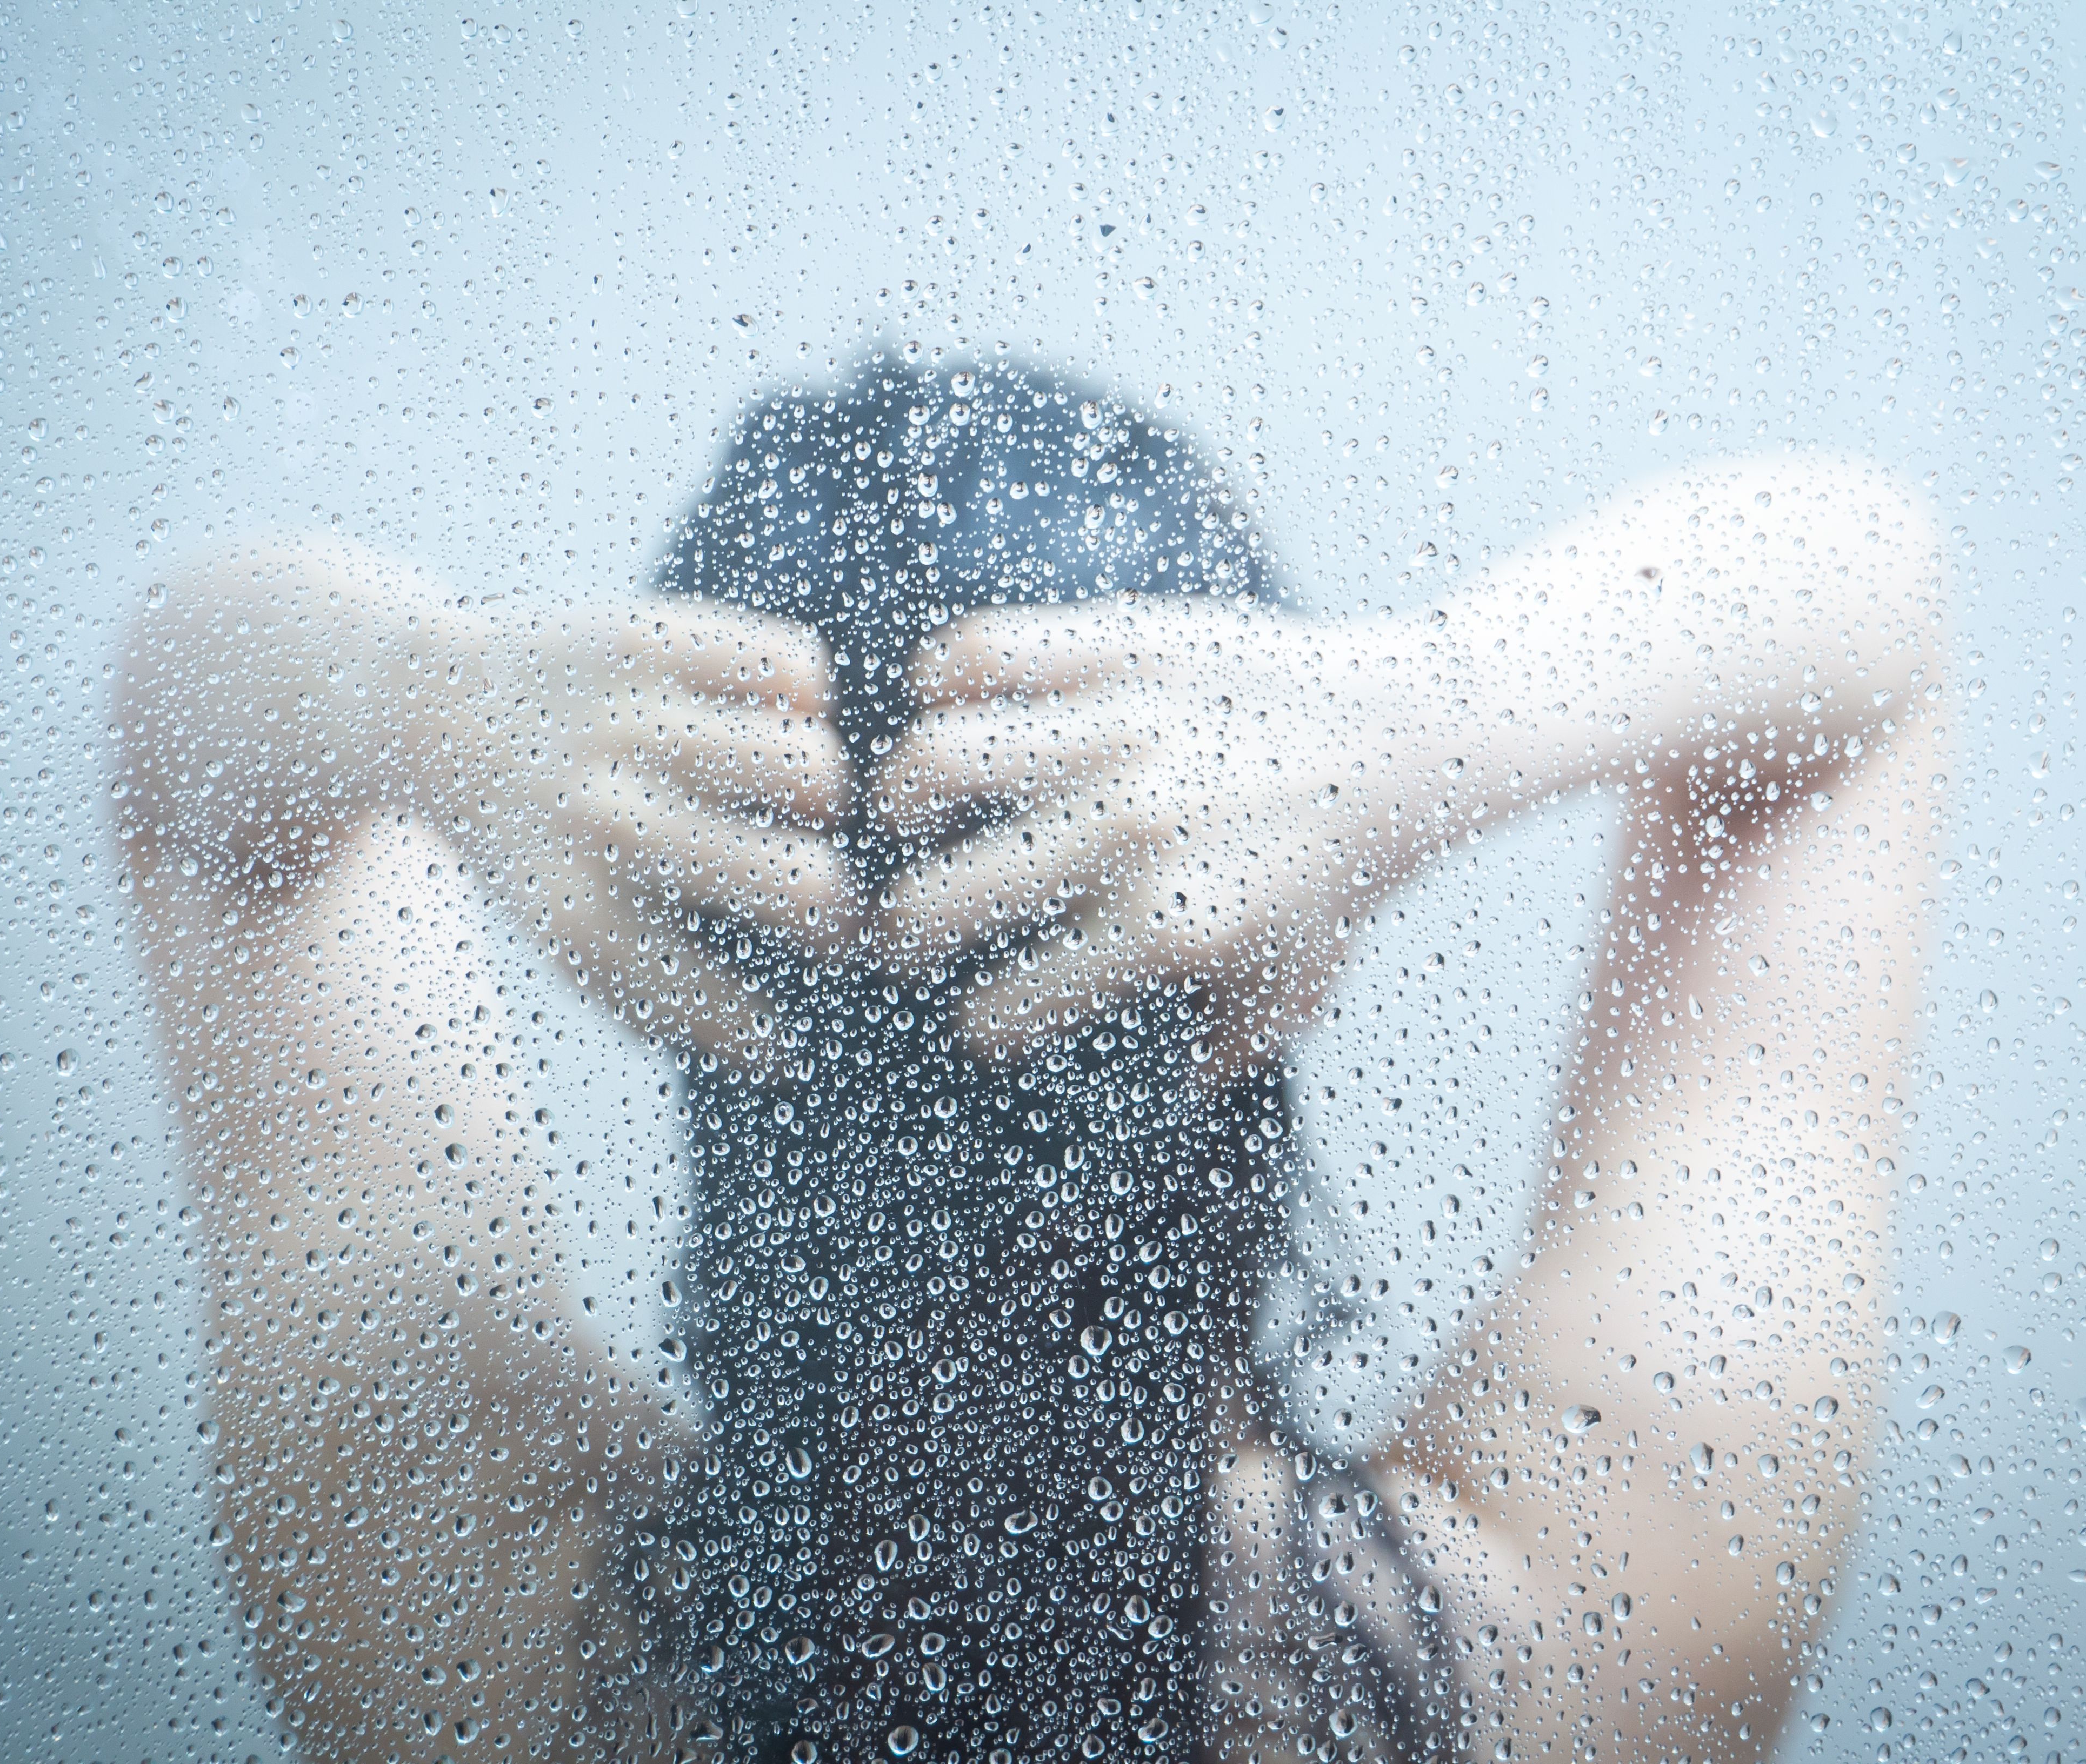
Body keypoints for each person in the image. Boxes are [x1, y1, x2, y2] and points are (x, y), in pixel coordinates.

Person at [113, 357, 1946, 1764]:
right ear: (1256, 964)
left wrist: (424, 707)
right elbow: (1866, 618)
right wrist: (1431, 719)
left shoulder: (476, 1642)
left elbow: (190, 756)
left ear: (667, 971)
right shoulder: (1573, 1645)